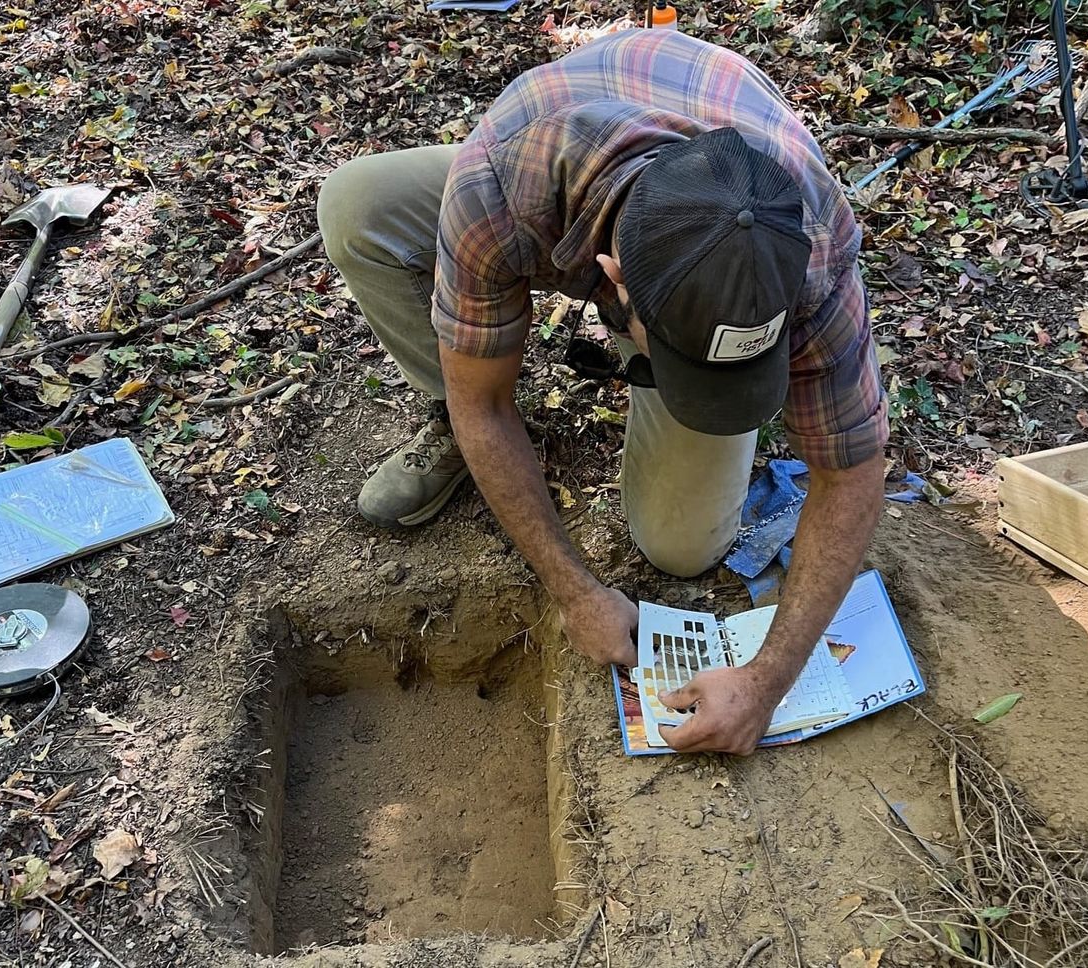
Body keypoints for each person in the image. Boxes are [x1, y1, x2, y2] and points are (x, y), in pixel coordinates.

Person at [316, 29, 887, 755]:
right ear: (612, 284)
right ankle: (447, 416)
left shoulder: (812, 245)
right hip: (560, 162)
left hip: (697, 152)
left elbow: (854, 467)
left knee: (680, 547)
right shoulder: (499, 188)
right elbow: (482, 405)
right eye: (691, 364)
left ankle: (696, 374)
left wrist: (768, 680)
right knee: (359, 205)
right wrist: (575, 590)